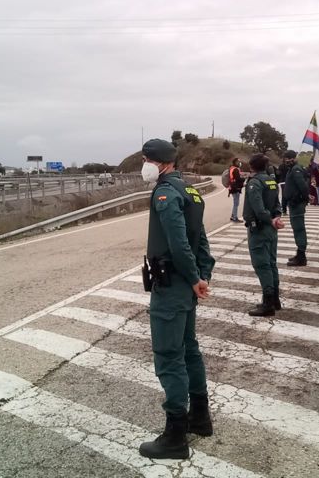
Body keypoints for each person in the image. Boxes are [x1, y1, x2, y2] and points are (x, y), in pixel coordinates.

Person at [138, 139, 215, 459]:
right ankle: (200, 417)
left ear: (156, 162)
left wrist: (195, 277)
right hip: (186, 284)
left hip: (172, 285)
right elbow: (202, 239)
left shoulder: (166, 193)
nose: (143, 166)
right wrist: (203, 274)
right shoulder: (190, 190)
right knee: (189, 349)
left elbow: (179, 241)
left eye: (144, 160)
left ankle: (175, 436)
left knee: (169, 355)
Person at [243, 153, 284, 316]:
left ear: (251, 166)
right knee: (272, 263)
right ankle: (275, 299)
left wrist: (268, 219)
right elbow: (277, 204)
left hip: (259, 229)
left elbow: (258, 209)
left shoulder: (254, 183)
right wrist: (275, 218)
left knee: (262, 265)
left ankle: (268, 304)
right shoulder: (271, 181)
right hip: (271, 229)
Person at [282, 150, 310, 266]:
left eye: (288, 158)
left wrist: (302, 198)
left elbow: (303, 186)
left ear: (293, 158)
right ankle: (299, 253)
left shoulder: (296, 169)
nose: (287, 161)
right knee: (297, 229)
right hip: (294, 203)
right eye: (286, 159)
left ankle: (301, 256)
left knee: (298, 229)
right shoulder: (293, 169)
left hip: (296, 204)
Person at [226, 158, 244, 223]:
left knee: (235, 203)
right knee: (236, 203)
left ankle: (233, 216)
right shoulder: (236, 170)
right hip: (235, 188)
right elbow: (238, 179)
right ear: (235, 162)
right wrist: (244, 178)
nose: (239, 163)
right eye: (238, 162)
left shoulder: (231, 168)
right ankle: (234, 217)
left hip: (232, 187)